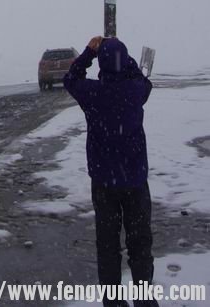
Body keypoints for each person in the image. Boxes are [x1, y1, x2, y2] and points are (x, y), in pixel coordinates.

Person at [63, 36, 159, 307]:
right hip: (136, 181)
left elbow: (70, 78)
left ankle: (114, 303)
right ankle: (144, 301)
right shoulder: (136, 91)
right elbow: (141, 77)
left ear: (102, 64)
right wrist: (121, 55)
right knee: (140, 245)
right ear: (124, 61)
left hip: (104, 183)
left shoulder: (92, 93)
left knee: (108, 247)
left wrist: (90, 52)